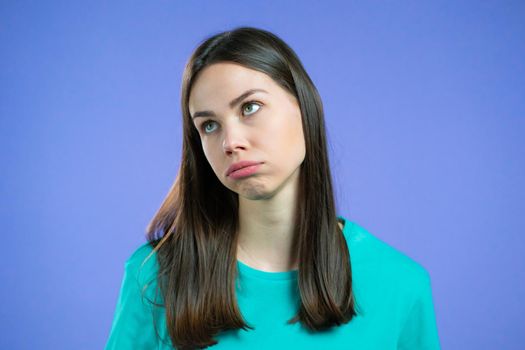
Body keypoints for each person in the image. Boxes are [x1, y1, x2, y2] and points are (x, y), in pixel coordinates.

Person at [105, 26, 441, 349]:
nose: (231, 142)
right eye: (209, 125)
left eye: (250, 107)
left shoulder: (401, 285)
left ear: (304, 108)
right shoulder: (153, 277)